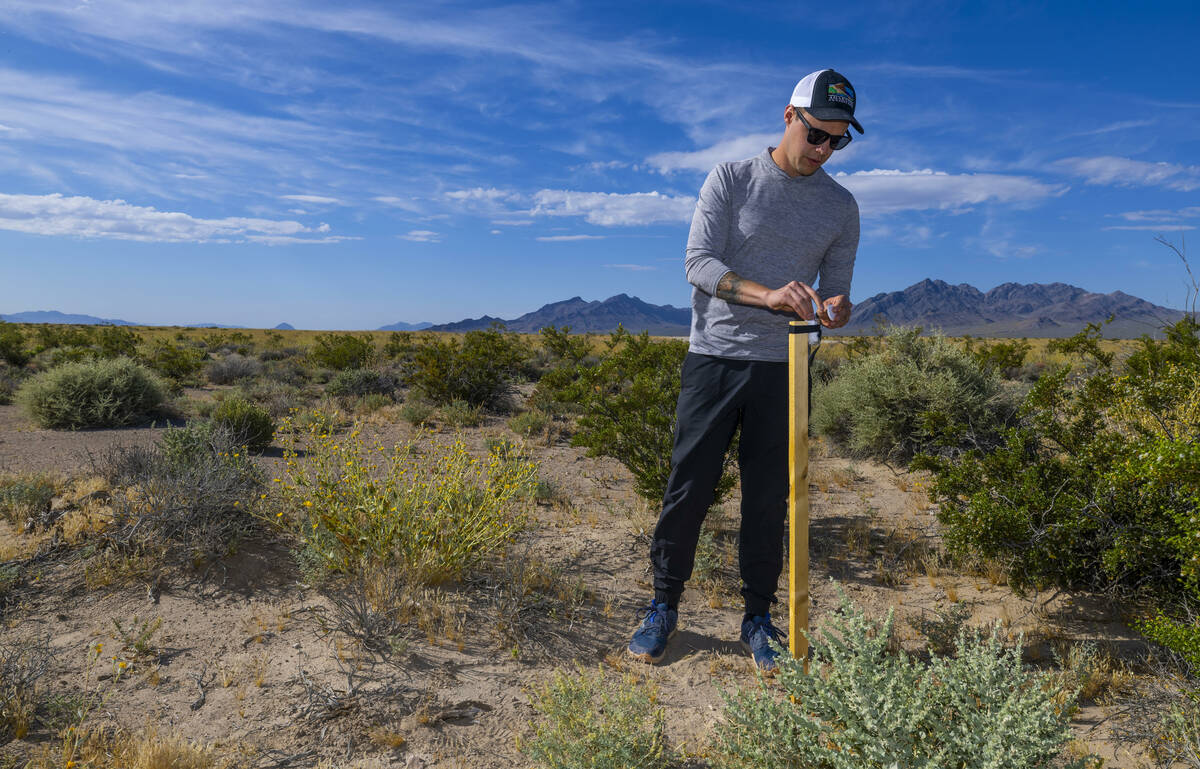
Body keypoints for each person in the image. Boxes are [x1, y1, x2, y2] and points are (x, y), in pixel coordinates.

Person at [627, 69, 863, 671]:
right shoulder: (730, 180)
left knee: (769, 500)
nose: (822, 150)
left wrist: (836, 308)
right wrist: (768, 295)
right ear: (789, 117)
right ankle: (663, 606)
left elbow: (837, 290)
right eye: (815, 134)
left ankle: (758, 618)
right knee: (688, 490)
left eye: (836, 140)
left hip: (784, 368)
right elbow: (697, 263)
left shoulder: (841, 207)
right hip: (715, 358)